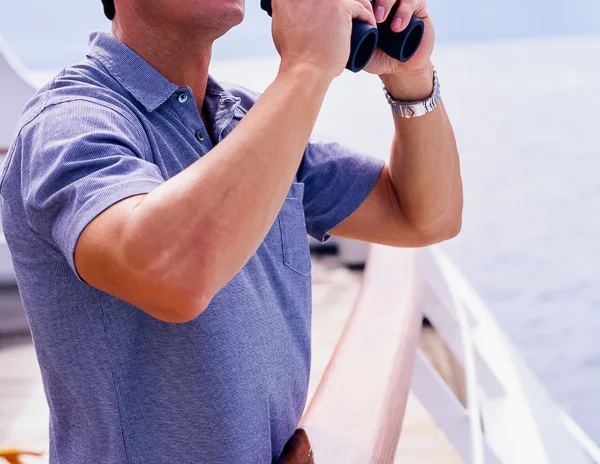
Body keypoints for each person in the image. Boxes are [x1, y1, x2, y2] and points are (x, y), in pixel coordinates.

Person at [0, 0, 462, 462]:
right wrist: (305, 66)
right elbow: (172, 276)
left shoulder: (240, 117)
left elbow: (423, 216)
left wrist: (410, 77)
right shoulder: (67, 124)